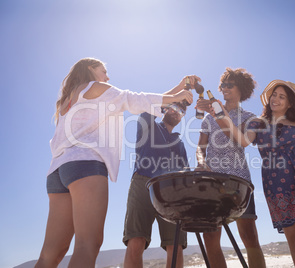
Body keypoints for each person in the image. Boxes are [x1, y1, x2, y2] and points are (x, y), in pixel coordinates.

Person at [35, 57, 193, 268]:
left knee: (50, 255)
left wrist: (178, 90)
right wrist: (177, 94)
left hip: (58, 170)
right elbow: (133, 99)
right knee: (87, 245)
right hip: (85, 165)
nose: (107, 77)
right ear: (90, 69)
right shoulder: (94, 86)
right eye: (103, 71)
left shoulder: (67, 100)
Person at [214, 79, 295, 268]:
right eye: (274, 95)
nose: (275, 99)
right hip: (276, 184)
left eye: (282, 96)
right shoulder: (257, 123)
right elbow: (243, 141)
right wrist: (221, 115)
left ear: (289, 103)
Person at [122, 75, 200, 268]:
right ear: (165, 107)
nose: (177, 110)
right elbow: (151, 102)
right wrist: (181, 87)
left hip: (172, 192)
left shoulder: (179, 143)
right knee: (136, 241)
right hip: (143, 184)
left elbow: (186, 175)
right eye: (174, 105)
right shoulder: (147, 124)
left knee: (175, 245)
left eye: (182, 110)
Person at [195, 68, 266, 268]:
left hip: (238, 181)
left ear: (241, 90)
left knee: (249, 236)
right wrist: (201, 163)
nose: (224, 89)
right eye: (223, 85)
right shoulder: (209, 117)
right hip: (211, 183)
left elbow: (239, 140)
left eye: (230, 85)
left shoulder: (250, 118)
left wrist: (219, 112)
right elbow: (201, 147)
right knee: (210, 236)